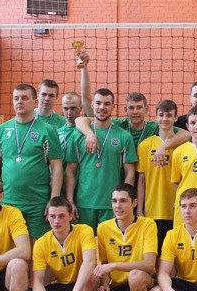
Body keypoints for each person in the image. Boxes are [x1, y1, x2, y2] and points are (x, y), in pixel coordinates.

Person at [86, 183, 158, 291]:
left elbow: (149, 264)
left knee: (135, 276)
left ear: (134, 203)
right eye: (114, 201)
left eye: (123, 201)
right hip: (118, 285)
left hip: (142, 282)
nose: (118, 206)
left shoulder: (148, 224)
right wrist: (105, 284)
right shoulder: (103, 228)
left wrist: (115, 265)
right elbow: (104, 263)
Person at [0, 83, 63, 239]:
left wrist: (53, 200)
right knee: (9, 246)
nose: (19, 101)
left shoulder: (47, 130)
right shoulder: (2, 130)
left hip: (38, 203)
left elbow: (56, 167)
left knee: (38, 247)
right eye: (16, 98)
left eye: (24, 98)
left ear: (35, 102)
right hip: (8, 202)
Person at [22, 197, 98, 291]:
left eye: (62, 216)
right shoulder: (41, 243)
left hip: (82, 286)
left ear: (71, 216)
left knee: (91, 276)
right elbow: (37, 281)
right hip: (59, 286)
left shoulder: (84, 231)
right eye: (53, 216)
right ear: (47, 218)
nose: (57, 221)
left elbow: (90, 262)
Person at [64, 88, 136, 231]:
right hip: (83, 204)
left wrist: (123, 201)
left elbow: (130, 172)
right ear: (92, 105)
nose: (102, 107)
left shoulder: (124, 136)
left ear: (113, 107)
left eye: (107, 104)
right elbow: (70, 171)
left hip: (112, 205)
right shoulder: (78, 135)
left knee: (110, 244)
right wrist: (70, 201)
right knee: (84, 243)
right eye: (98, 103)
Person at [137, 99, 181, 251]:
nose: (164, 119)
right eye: (161, 115)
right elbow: (141, 180)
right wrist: (139, 209)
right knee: (153, 252)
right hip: (152, 209)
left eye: (169, 115)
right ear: (156, 117)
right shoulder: (144, 145)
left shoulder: (182, 145)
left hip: (176, 209)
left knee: (173, 253)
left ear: (176, 118)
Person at [58, 90, 84, 156]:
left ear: (80, 108)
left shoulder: (86, 130)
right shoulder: (57, 133)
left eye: (73, 108)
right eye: (66, 109)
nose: (69, 113)